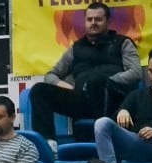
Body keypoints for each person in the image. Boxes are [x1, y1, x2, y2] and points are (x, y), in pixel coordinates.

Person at [28, 2, 142, 151]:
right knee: (39, 90)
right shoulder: (76, 48)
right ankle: (49, 145)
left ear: (108, 22)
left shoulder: (122, 43)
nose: (93, 23)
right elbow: (51, 75)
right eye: (89, 19)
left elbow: (135, 73)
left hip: (114, 101)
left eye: (98, 19)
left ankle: (105, 143)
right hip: (82, 99)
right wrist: (69, 87)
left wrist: (108, 81)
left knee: (97, 82)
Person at [93, 48, 152, 163]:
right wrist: (122, 111)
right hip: (138, 143)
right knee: (102, 123)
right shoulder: (136, 95)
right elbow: (117, 118)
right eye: (151, 71)